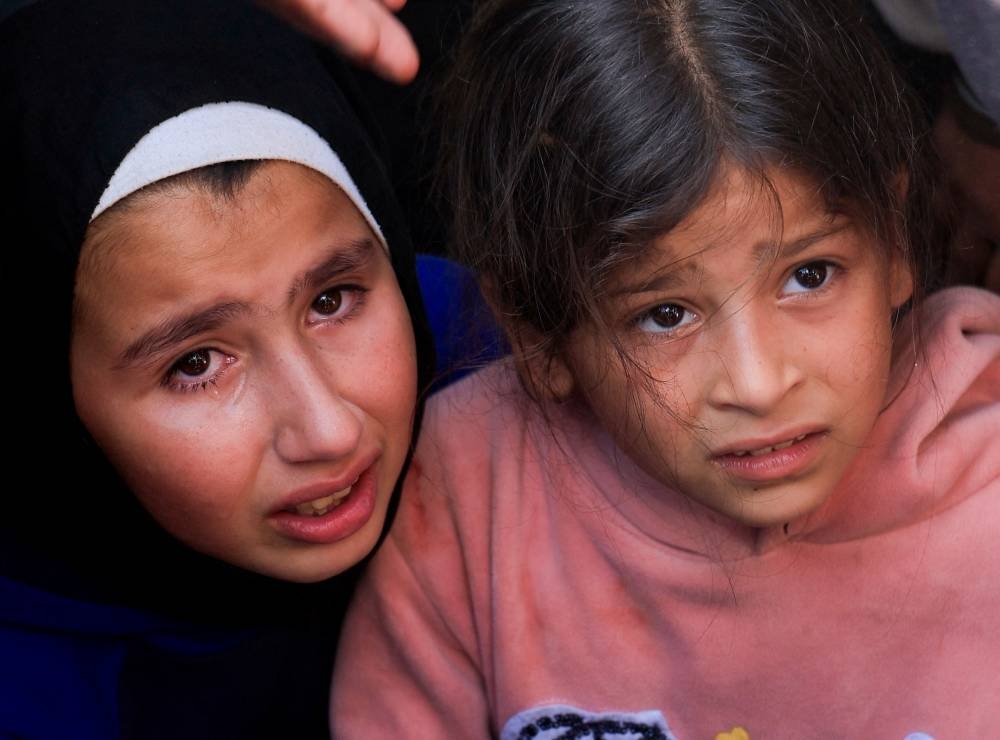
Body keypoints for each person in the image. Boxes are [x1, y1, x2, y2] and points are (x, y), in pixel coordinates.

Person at [330, 0, 1000, 737]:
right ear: (537, 333)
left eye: (809, 275)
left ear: (896, 243)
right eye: (665, 314)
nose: (758, 383)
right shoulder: (466, 497)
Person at [0, 0, 435, 737]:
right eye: (197, 363)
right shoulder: (30, 695)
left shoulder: (517, 375)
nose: (328, 431)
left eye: (331, 301)